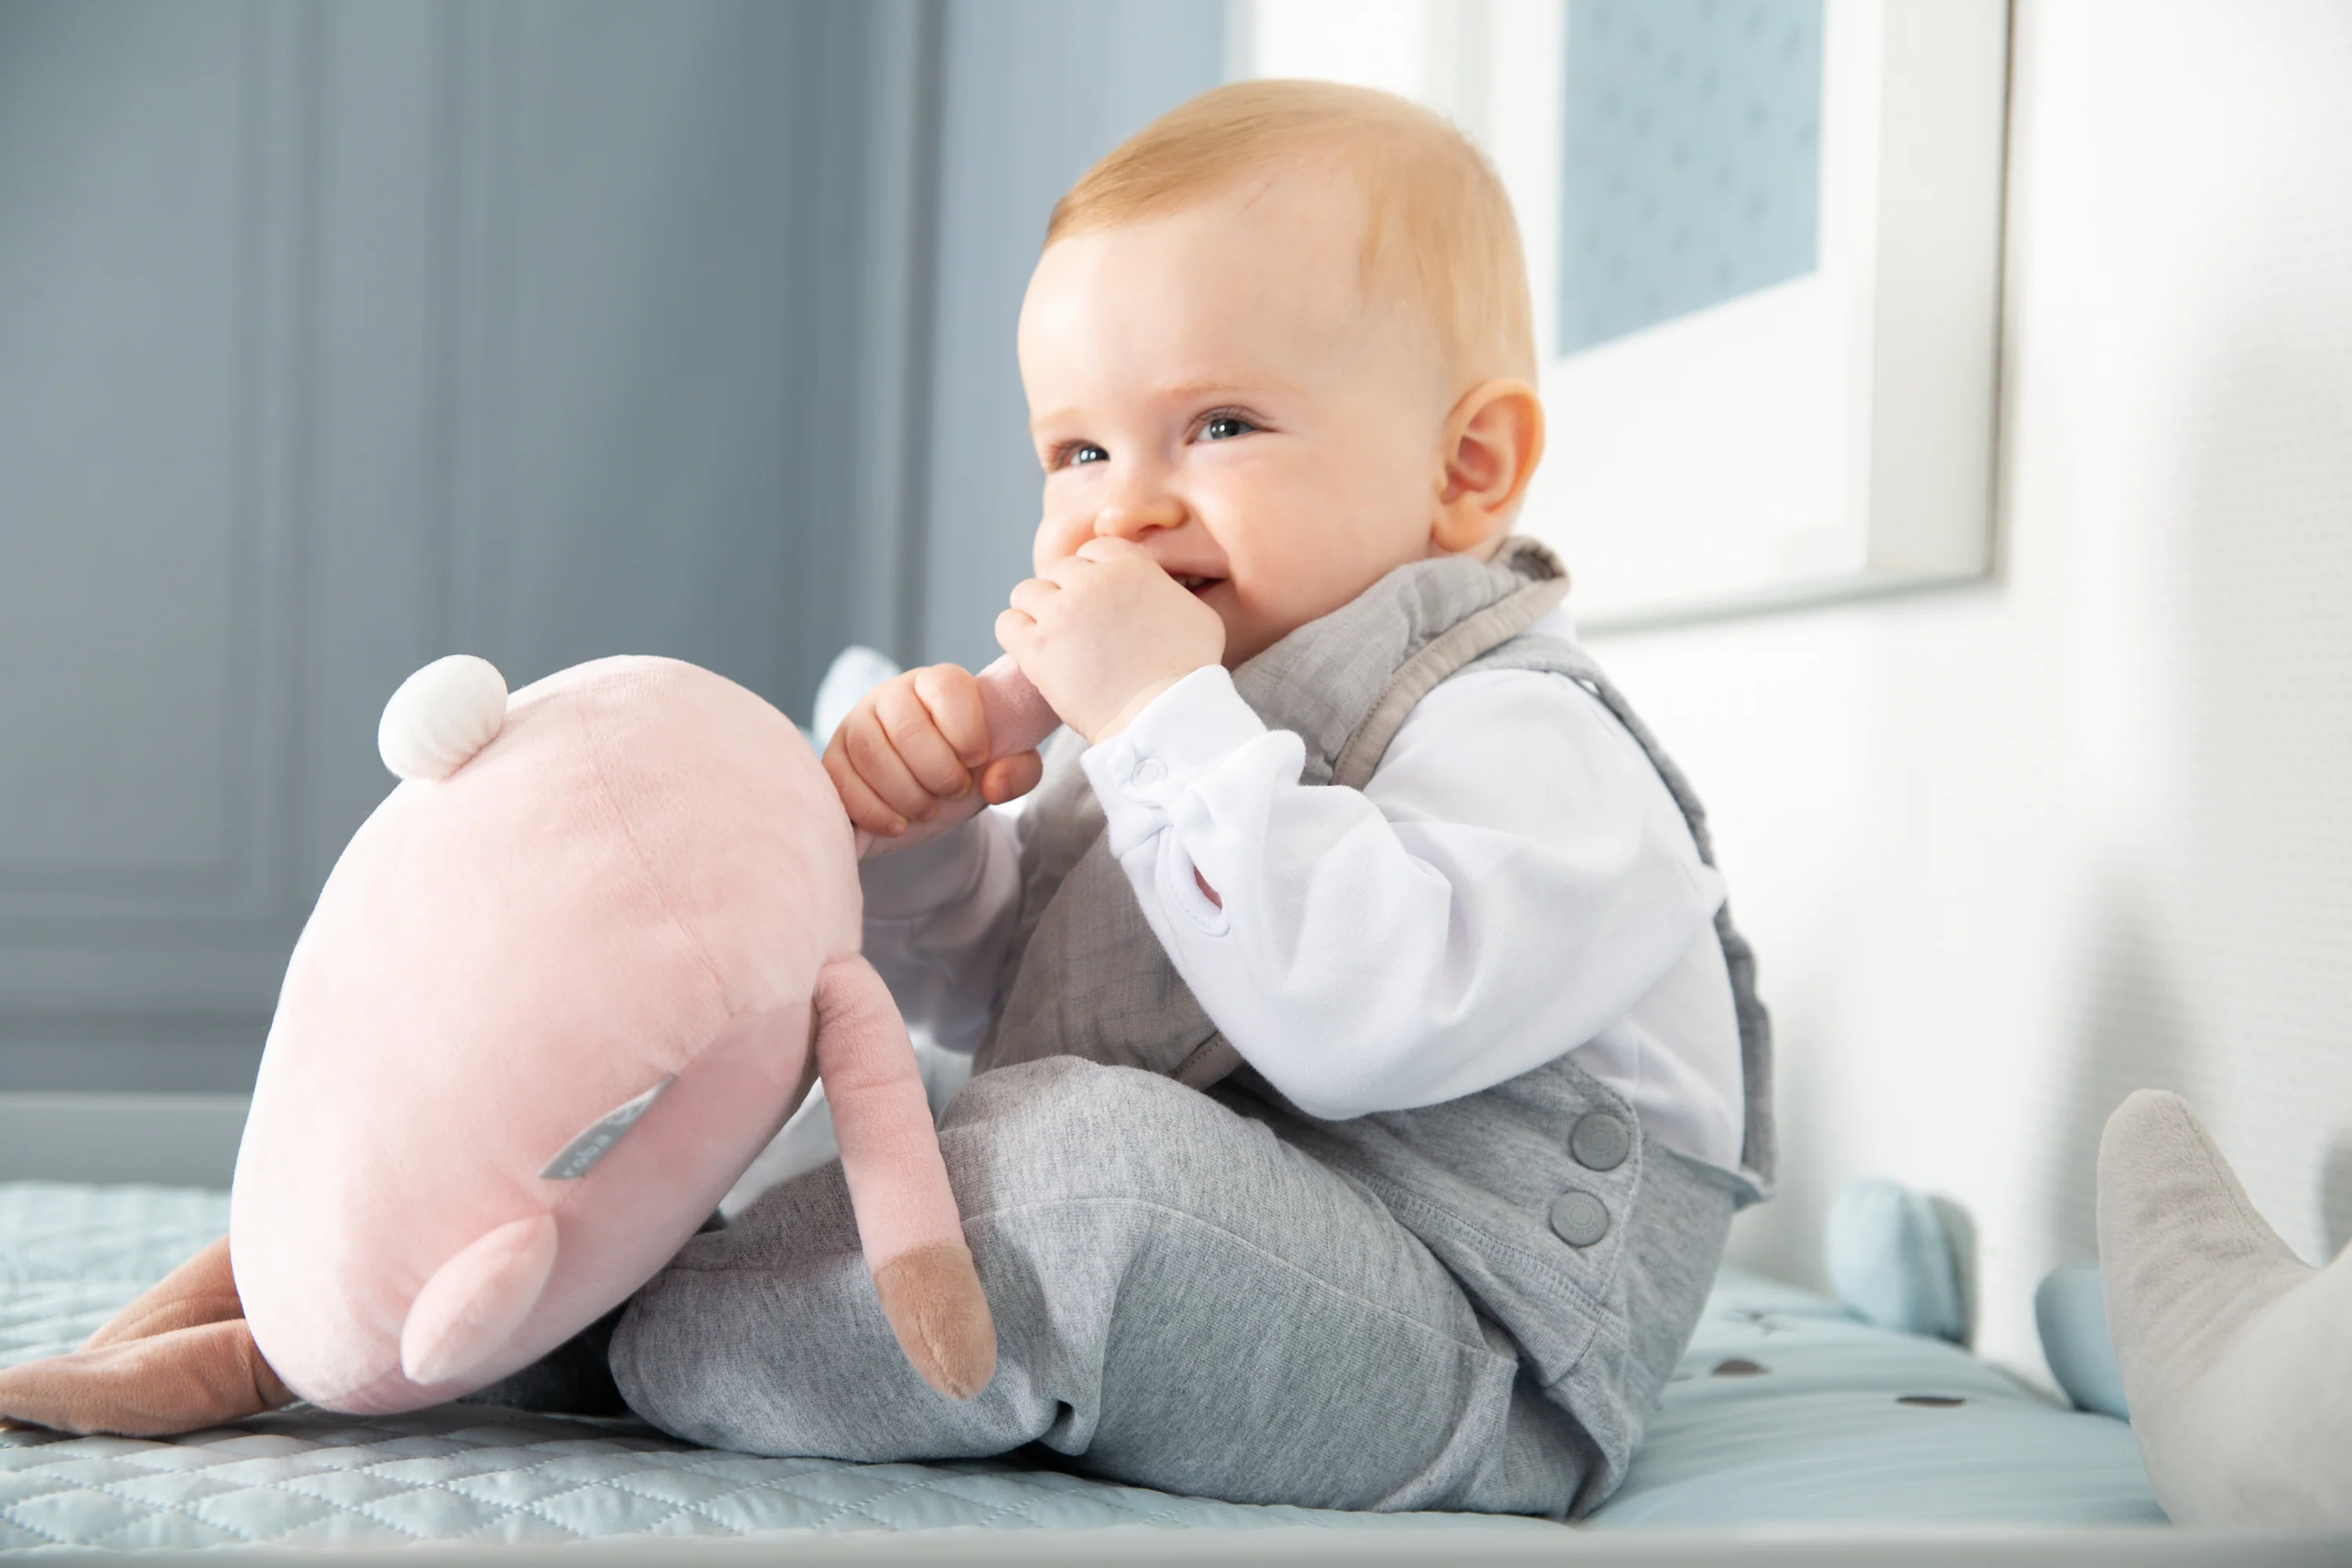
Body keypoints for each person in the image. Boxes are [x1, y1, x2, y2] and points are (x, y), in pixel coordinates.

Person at [610, 79, 1774, 1520]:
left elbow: (1349, 1026)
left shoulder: (1531, 738)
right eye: (1080, 452)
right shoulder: (1198, 711)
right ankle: (604, 1239)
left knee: (1086, 1189)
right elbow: (1024, 1002)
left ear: (1466, 470)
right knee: (822, 1080)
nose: (1122, 512)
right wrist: (928, 852)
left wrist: (1163, 719)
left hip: (1471, 1352)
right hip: (1246, 1248)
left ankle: (635, 1334)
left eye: (1217, 424)